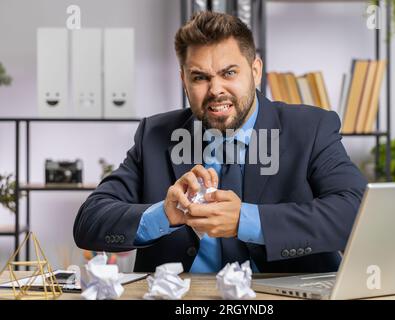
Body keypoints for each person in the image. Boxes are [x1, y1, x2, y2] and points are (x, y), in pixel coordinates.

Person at [73, 11, 367, 273]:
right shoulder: (154, 135)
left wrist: (247, 221)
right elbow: (90, 220)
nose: (216, 90)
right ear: (184, 80)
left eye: (229, 73)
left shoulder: (310, 128)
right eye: (200, 77)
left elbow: (354, 211)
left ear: (255, 70)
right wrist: (163, 215)